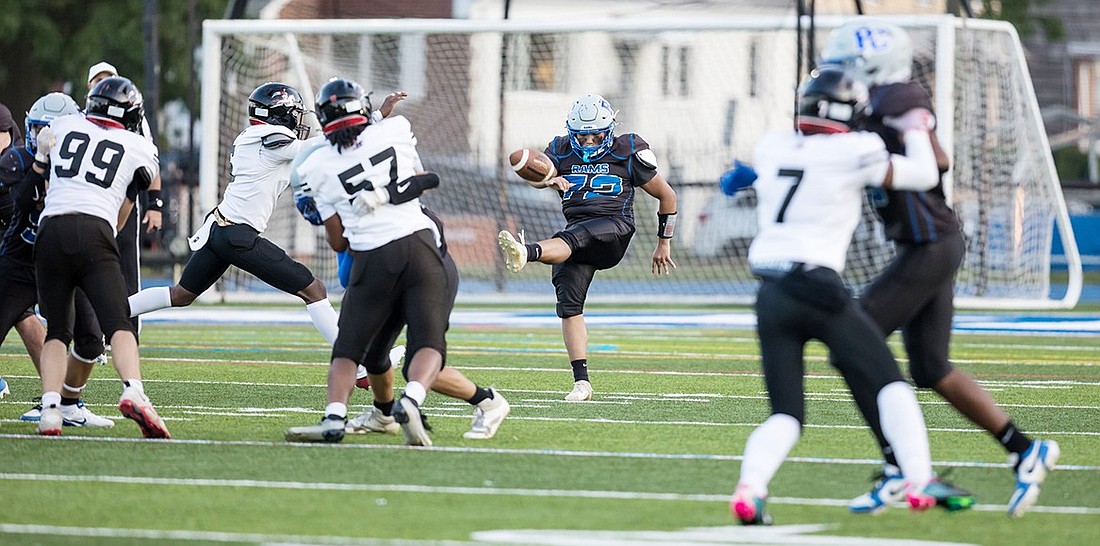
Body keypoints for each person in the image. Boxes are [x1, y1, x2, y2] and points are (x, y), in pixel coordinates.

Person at [819, 19, 1059, 517]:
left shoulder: (899, 97)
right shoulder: (872, 108)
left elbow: (935, 157)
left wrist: (899, 137)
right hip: (925, 244)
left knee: (850, 345)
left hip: (930, 244)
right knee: (930, 368)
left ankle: (896, 467)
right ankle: (1024, 448)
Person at [729, 65, 953, 525]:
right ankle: (918, 478)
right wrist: (916, 129)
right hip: (818, 287)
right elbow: (923, 174)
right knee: (889, 380)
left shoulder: (773, 146)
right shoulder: (857, 148)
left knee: (786, 415)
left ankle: (750, 489)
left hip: (771, 293)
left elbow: (774, 175)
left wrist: (749, 176)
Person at [285, 77, 508, 446]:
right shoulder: (396, 130)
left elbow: (338, 238)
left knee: (348, 347)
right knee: (409, 350)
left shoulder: (316, 167)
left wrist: (346, 208)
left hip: (373, 256)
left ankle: (334, 417)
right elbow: (421, 178)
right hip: (422, 248)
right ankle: (402, 404)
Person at [126, 82, 344, 347]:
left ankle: (107, 315)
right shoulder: (270, 138)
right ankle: (356, 364)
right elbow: (317, 147)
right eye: (293, 113)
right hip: (237, 235)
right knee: (314, 289)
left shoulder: (253, 138)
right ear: (277, 113)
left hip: (220, 229)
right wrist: (365, 123)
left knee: (181, 294)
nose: (297, 120)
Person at [497, 93, 678, 402]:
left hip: (613, 229)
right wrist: (547, 180)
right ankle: (581, 382)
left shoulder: (628, 150)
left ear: (609, 129)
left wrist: (664, 243)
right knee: (569, 306)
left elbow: (667, 196)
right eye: (583, 135)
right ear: (572, 132)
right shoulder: (561, 151)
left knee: (574, 236)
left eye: (596, 134)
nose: (591, 140)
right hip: (574, 236)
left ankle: (527, 251)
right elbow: (523, 163)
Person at [31, 76, 167, 437]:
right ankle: (134, 391)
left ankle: (49, 410)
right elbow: (124, 212)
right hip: (94, 230)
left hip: (51, 229)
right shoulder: (140, 148)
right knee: (119, 323)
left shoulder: (60, 126)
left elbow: (42, 182)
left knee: (57, 331)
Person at [0, 93, 115, 428]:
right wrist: (37, 167)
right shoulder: (17, 160)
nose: (43, 137)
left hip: (63, 262)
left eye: (50, 129)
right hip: (21, 261)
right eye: (37, 129)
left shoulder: (84, 166)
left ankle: (68, 403)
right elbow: (19, 202)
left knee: (91, 338)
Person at [87, 62, 163, 338]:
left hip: (123, 199)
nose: (104, 86)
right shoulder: (79, 117)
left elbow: (150, 162)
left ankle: (126, 331)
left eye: (109, 80)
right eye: (99, 81)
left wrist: (155, 204)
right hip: (89, 200)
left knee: (126, 265)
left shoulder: (133, 119)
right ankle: (89, 334)